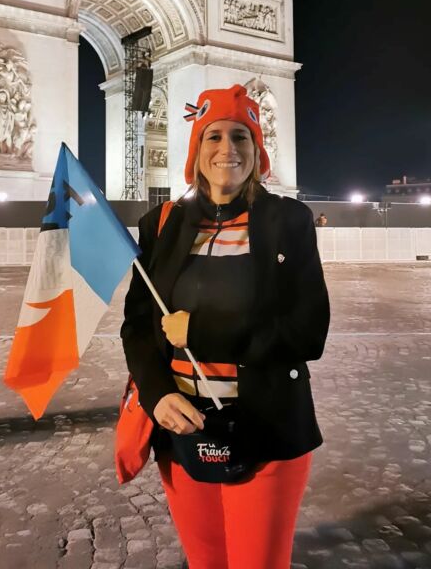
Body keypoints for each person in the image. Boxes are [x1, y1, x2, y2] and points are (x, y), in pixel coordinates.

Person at [121, 84, 330, 569]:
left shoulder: (289, 220)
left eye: (241, 135)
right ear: (196, 149)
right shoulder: (161, 224)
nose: (227, 149)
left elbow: (308, 332)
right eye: (213, 136)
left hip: (267, 430)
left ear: (258, 150)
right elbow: (137, 327)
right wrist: (157, 396)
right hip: (183, 429)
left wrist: (202, 333)